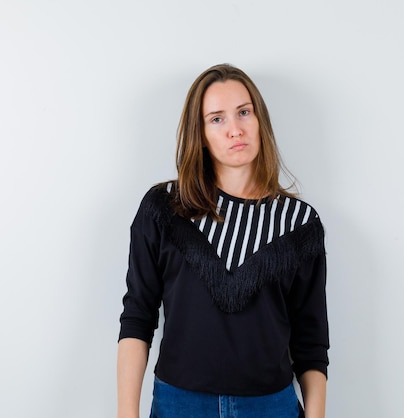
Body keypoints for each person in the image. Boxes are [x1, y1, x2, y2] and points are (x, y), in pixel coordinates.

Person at [117, 64, 329, 418]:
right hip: (178, 404)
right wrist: (127, 413)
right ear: (199, 133)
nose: (235, 129)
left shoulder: (300, 224)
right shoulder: (164, 209)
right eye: (216, 119)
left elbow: (311, 343)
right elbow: (138, 316)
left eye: (244, 112)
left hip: (269, 406)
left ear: (260, 120)